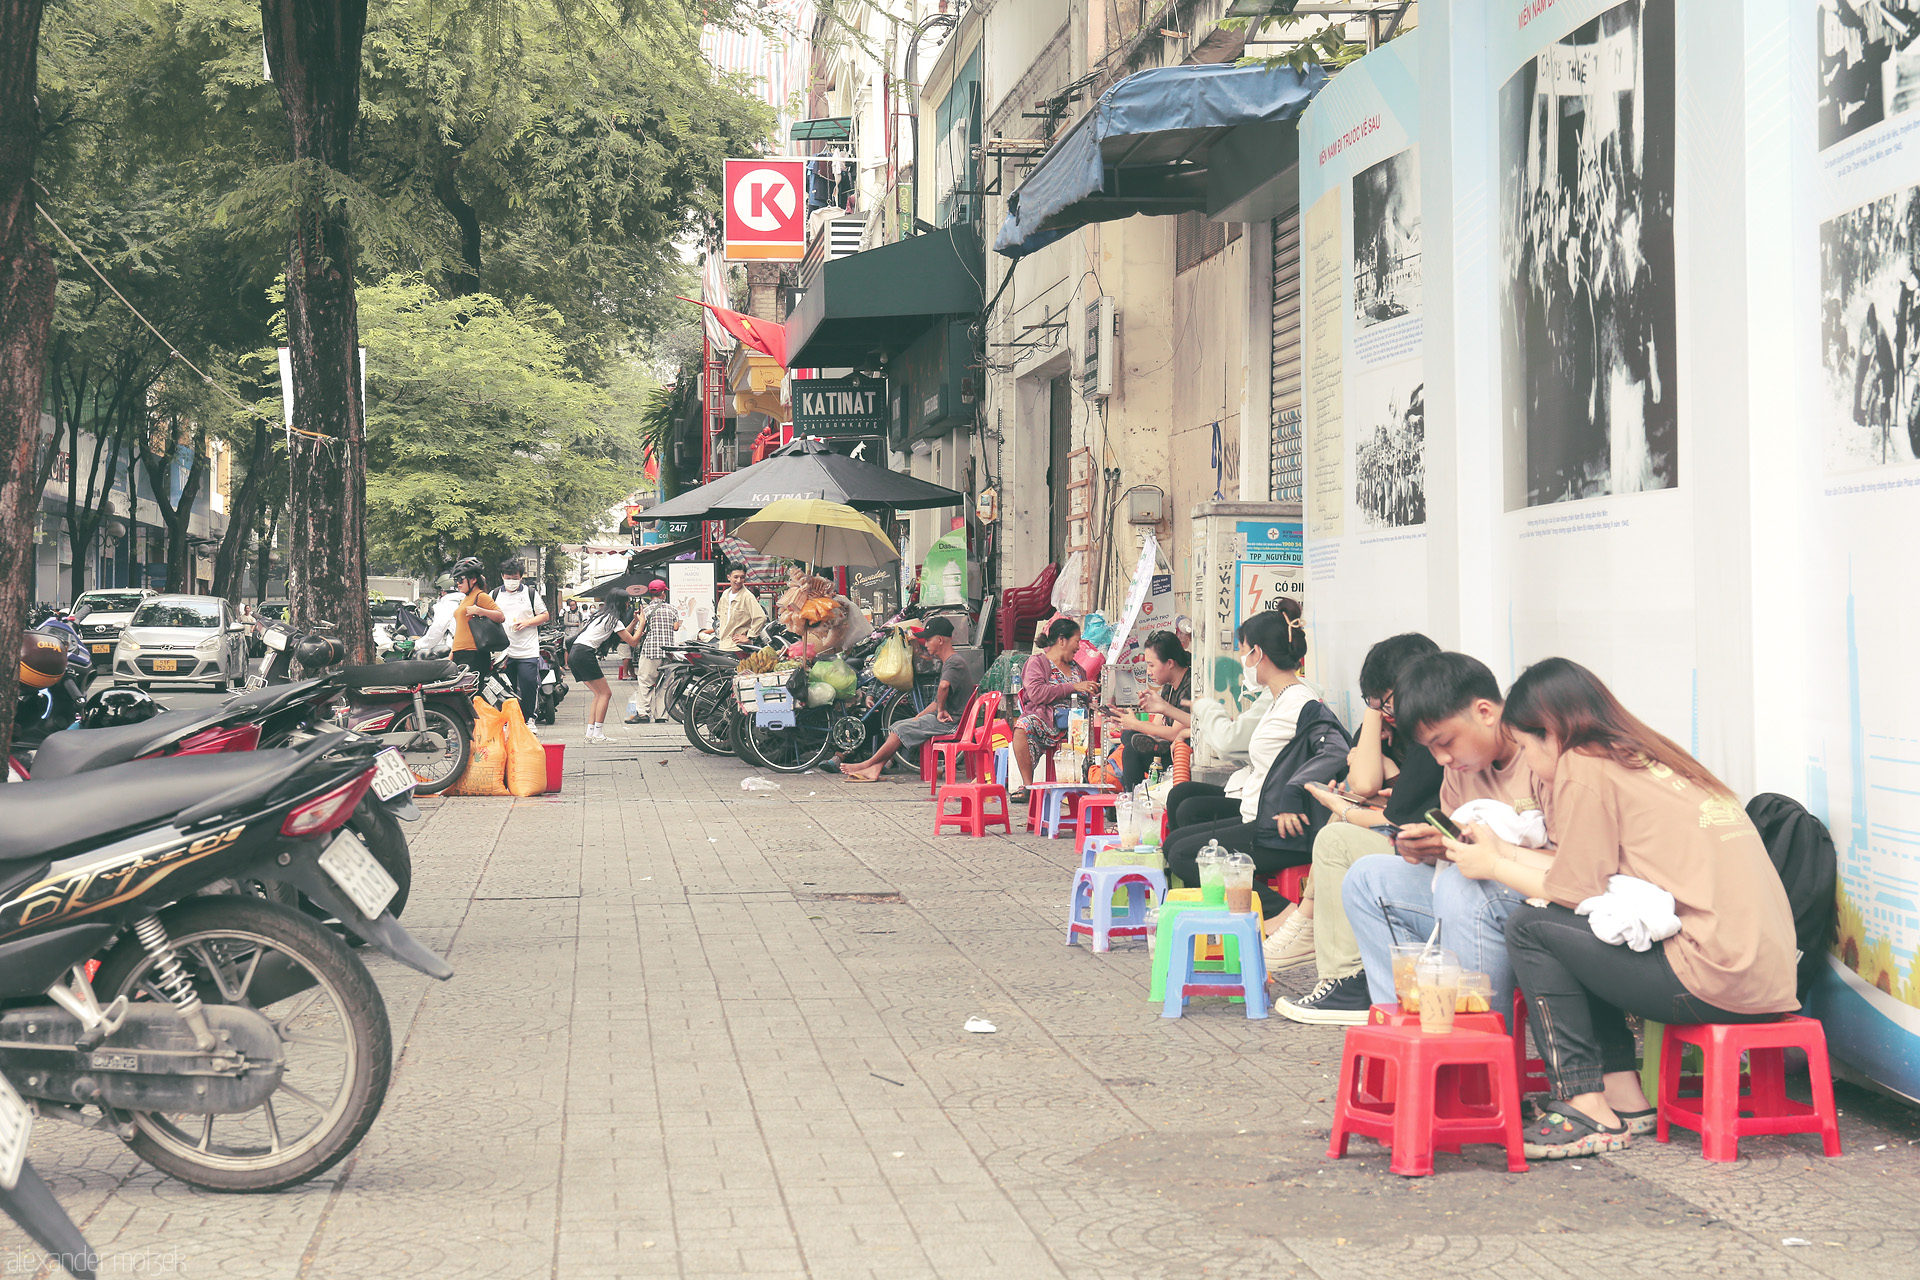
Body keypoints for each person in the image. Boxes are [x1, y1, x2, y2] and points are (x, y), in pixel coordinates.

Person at [1442, 658, 1799, 1159]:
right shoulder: (1648, 757)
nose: (1528, 760)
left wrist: (1493, 867)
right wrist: (1499, 852)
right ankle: (1626, 1101)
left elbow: (1574, 889)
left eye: (1525, 746)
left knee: (1532, 927)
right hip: (1762, 976)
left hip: (1710, 977)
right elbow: (1583, 872)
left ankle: (1585, 1105)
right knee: (1585, 929)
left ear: (1550, 734)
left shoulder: (1584, 768)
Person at [1341, 652, 1551, 1035]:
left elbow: (1576, 869)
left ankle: (1479, 1057)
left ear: (1485, 712)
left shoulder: (1544, 756)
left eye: (1445, 742)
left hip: (1541, 900)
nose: (1442, 758)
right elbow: (1459, 849)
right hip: (1471, 886)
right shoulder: (1456, 768)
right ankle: (1411, 1030)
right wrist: (1431, 849)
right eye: (1430, 748)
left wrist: (1492, 855)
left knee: (1467, 888)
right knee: (1366, 877)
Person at [1274, 632, 1444, 1023]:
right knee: (1339, 824)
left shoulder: (1430, 732)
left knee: (1336, 833)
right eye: (1375, 704)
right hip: (1428, 856)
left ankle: (1345, 975)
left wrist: (1346, 807)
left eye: (1384, 701)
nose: (1383, 712)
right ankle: (1310, 930)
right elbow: (1369, 787)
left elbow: (1377, 801)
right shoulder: (1402, 727)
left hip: (1437, 867)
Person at [1161, 601, 1320, 932]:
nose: (1243, 662)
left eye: (1245, 652)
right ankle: (1215, 913)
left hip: (1280, 828)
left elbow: (1324, 758)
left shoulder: (1298, 703)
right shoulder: (1280, 699)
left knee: (1183, 854)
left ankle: (1285, 915)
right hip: (1260, 815)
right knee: (1177, 844)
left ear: (1259, 654)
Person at [838, 617, 975, 781]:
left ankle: (866, 764)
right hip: (949, 719)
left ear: (939, 640)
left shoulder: (954, 662)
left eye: (929, 639)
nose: (925, 643)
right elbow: (936, 702)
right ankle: (875, 769)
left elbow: (943, 687)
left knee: (900, 730)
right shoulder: (951, 662)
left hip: (953, 723)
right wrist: (919, 717)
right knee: (899, 725)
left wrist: (940, 711)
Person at [1006, 616, 1100, 802]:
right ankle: (1028, 786)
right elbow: (1037, 694)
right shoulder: (1038, 663)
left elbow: (1087, 697)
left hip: (1076, 725)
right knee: (1022, 727)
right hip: (1045, 721)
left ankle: (1091, 784)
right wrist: (1073, 687)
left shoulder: (1077, 669)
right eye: (1076, 641)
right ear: (1062, 640)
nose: (1079, 647)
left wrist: (1094, 695)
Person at [1102, 631, 1191, 788]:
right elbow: (1157, 728)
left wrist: (1136, 724)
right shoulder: (1169, 687)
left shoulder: (1189, 687)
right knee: (1129, 736)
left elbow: (1172, 733)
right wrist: (1129, 721)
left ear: (1170, 663)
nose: (1148, 672)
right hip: (1166, 746)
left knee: (1131, 751)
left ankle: (1132, 803)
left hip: (1181, 754)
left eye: (1151, 665)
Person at [570, 585, 645, 743]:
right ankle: (598, 734)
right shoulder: (613, 619)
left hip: (576, 653)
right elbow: (632, 641)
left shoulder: (603, 616)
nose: (628, 605)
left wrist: (634, 621)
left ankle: (591, 733)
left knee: (599, 694)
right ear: (621, 603)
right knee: (605, 694)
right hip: (584, 654)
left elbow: (622, 634)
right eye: (627, 602)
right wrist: (642, 623)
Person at [494, 559, 550, 719]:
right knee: (506, 689)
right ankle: (510, 721)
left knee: (528, 685)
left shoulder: (530, 594)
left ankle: (529, 718)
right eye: (508, 577)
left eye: (514, 578)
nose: (511, 581)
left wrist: (527, 623)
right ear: (502, 576)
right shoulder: (495, 594)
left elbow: (545, 615)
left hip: (527, 650)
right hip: (504, 652)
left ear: (521, 577)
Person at [448, 558, 506, 681]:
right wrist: (453, 651)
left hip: (474, 654)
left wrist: (480, 611)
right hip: (460, 653)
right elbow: (461, 628)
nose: (458, 584)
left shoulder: (481, 596)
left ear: (473, 579)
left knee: (473, 697)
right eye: (456, 580)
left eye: (460, 580)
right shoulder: (465, 599)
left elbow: (500, 617)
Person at [630, 580, 679, 723]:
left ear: (650, 594)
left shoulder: (645, 611)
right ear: (663, 593)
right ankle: (661, 716)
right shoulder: (672, 609)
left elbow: (640, 630)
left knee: (645, 682)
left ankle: (643, 713)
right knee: (665, 684)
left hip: (651, 650)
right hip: (669, 652)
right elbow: (676, 627)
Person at [711, 567, 767, 649]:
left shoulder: (747, 596)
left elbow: (761, 617)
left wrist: (749, 637)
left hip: (738, 647)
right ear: (728, 577)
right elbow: (720, 615)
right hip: (723, 644)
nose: (739, 580)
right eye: (736, 577)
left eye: (742, 577)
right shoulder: (725, 594)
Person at [417, 574, 463, 657]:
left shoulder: (448, 605)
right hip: (465, 648)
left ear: (443, 591)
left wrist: (419, 645)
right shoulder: (463, 602)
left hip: (449, 649)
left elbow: (437, 629)